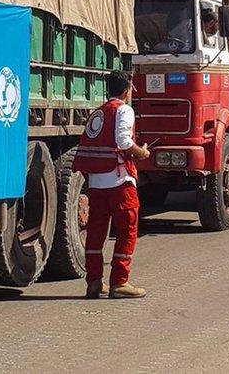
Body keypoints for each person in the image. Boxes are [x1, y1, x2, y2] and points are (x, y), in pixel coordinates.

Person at [71, 71, 150, 299]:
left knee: (96, 233)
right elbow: (123, 141)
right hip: (119, 181)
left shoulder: (98, 112)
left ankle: (94, 282)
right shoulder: (124, 110)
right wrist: (141, 152)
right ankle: (119, 282)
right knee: (127, 229)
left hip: (96, 182)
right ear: (127, 90)